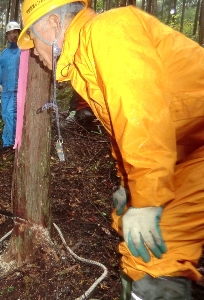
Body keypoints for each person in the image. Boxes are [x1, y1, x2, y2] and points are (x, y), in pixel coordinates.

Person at [18, 0, 204, 298]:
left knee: (155, 257)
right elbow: (124, 128)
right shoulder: (86, 57)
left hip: (192, 147)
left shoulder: (108, 31)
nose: (33, 52)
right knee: (141, 247)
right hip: (180, 150)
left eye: (32, 40)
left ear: (51, 25)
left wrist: (147, 198)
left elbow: (142, 114)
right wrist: (128, 183)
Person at [0, 21, 21, 151]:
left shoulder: (23, 51)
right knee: (5, 115)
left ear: (19, 33)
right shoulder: (3, 54)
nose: (12, 36)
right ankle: (6, 142)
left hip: (17, 90)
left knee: (10, 114)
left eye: (14, 32)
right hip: (5, 91)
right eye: (9, 33)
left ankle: (11, 142)